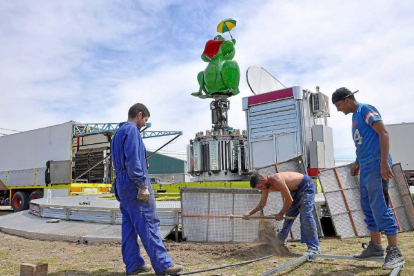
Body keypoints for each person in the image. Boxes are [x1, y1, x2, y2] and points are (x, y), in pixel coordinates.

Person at [332, 87, 405, 269]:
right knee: (368, 207)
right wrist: (357, 161)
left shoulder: (365, 109)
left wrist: (384, 164)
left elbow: (383, 133)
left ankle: (395, 251)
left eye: (338, 105)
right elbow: (365, 141)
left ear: (347, 99)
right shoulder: (355, 117)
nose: (338, 109)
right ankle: (375, 247)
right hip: (365, 166)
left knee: (381, 206)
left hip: (376, 165)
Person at [111, 103, 184, 275]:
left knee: (129, 226)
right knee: (148, 222)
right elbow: (134, 160)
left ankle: (133, 264)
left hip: (122, 184)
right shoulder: (132, 131)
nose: (144, 124)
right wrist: (141, 184)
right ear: (139, 114)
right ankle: (163, 265)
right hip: (134, 183)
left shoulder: (117, 134)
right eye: (145, 120)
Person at [244, 171, 320, 254]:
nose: (261, 189)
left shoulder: (277, 180)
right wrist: (250, 213)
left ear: (263, 180)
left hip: (306, 186)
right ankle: (280, 240)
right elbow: (262, 203)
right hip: (295, 190)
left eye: (260, 187)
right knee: (289, 215)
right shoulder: (266, 186)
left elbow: (289, 200)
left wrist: (280, 214)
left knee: (305, 215)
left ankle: (314, 248)